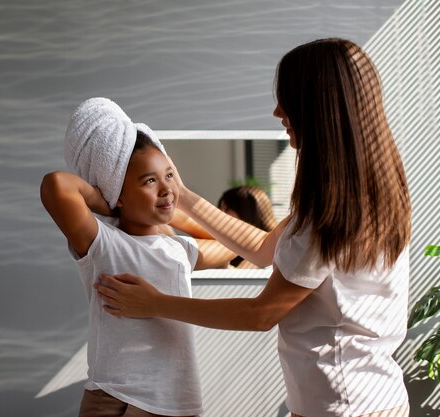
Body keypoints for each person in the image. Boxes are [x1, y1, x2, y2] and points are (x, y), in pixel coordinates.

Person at [95, 38, 411, 417]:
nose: (278, 111)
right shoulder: (365, 196)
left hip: (343, 405)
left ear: (318, 108)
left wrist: (155, 303)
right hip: (374, 396)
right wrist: (184, 196)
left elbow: (259, 314)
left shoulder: (328, 217)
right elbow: (263, 248)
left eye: (287, 99)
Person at [40, 97, 238, 417]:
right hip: (118, 399)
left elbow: (230, 244)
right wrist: (108, 200)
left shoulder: (176, 250)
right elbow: (56, 185)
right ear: (116, 191)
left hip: (177, 402)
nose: (166, 188)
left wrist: (172, 212)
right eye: (149, 180)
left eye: (169, 176)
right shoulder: (104, 245)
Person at [217, 185, 278, 268]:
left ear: (247, 212)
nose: (220, 214)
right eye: (220, 209)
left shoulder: (272, 249)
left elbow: (238, 277)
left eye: (226, 209)